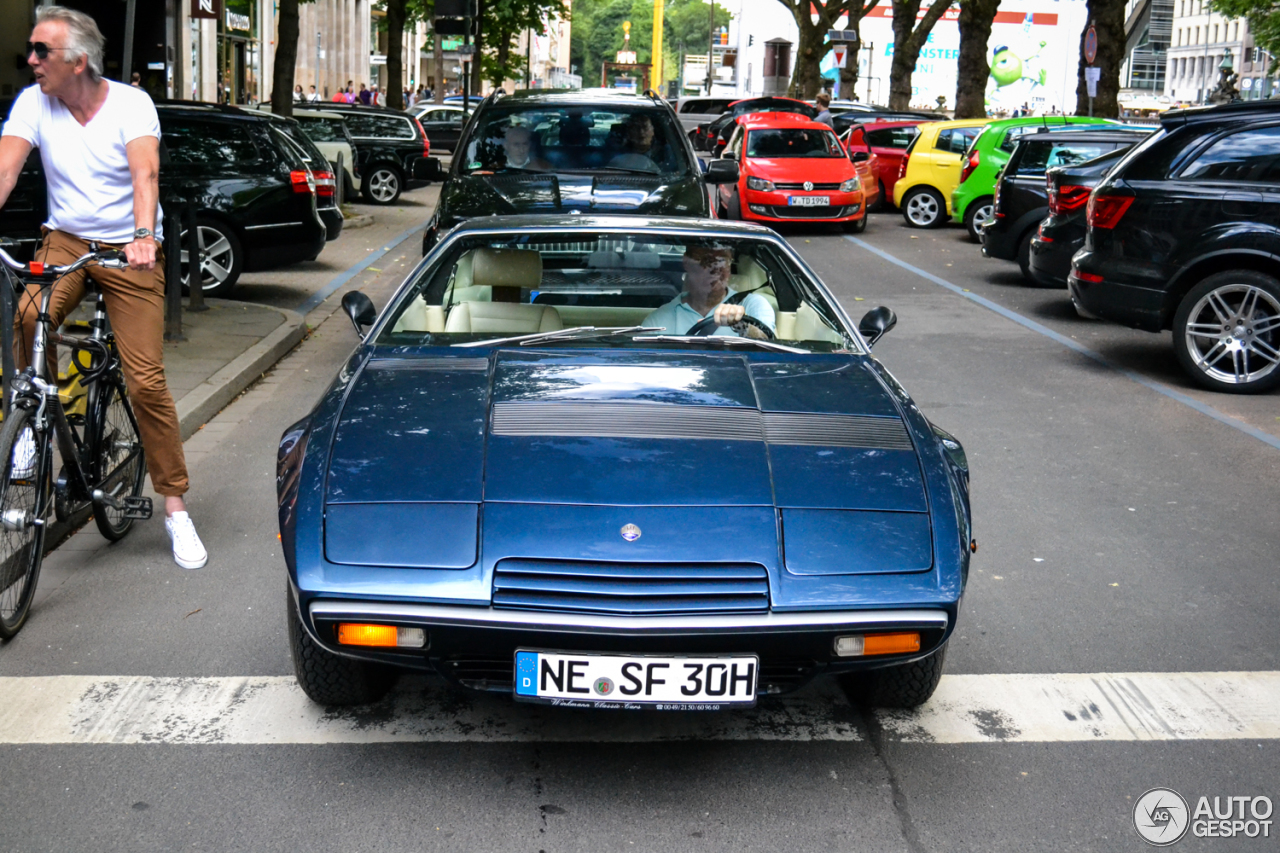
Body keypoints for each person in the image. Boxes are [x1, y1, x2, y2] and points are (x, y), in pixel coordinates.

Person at [0, 5, 207, 569]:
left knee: (144, 382)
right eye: (31, 50)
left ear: (79, 61)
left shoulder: (130, 104)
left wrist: (144, 236)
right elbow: (5, 169)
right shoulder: (33, 103)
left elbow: (146, 174)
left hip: (128, 250)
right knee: (26, 316)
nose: (32, 60)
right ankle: (34, 422)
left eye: (43, 51)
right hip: (65, 239)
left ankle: (174, 506)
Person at [642, 244, 775, 337]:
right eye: (706, 260)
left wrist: (743, 326)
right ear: (686, 263)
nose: (715, 268)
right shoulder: (660, 320)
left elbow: (769, 346)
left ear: (730, 265)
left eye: (722, 260)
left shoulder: (752, 304)